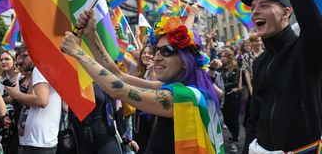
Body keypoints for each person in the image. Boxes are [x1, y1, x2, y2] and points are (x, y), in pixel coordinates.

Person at [61, 10, 224, 154]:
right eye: (156, 50)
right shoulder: (176, 89)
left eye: (166, 51)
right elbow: (119, 75)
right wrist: (91, 35)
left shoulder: (186, 96)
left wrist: (78, 52)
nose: (157, 57)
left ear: (185, 61)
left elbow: (119, 90)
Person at [241, 0, 322, 153]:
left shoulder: (305, 49)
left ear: (286, 13)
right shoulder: (259, 62)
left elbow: (313, 25)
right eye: (253, 8)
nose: (255, 11)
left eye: (264, 5)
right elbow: (253, 118)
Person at [4, 47, 62, 154]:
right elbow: (32, 102)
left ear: (35, 54)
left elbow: (42, 101)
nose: (20, 61)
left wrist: (16, 95)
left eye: (25, 56)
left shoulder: (40, 68)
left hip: (38, 142)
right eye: (20, 57)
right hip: (36, 141)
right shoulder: (41, 69)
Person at [218, 48, 241, 153]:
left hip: (233, 97)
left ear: (229, 57)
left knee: (234, 118)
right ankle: (233, 133)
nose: (221, 58)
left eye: (224, 56)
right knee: (226, 118)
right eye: (221, 56)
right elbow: (217, 81)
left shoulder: (236, 68)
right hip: (223, 98)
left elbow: (235, 82)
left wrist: (222, 86)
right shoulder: (220, 69)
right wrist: (223, 87)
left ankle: (235, 137)